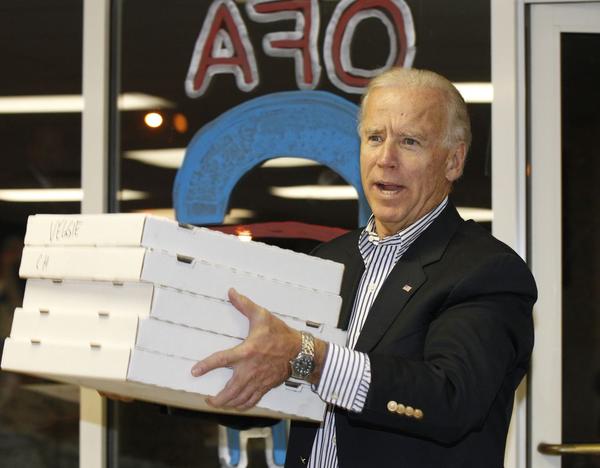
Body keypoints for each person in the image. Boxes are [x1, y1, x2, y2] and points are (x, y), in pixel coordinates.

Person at [191, 67, 536, 468]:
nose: (386, 159)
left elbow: (450, 398)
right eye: (375, 138)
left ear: (453, 161)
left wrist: (313, 359)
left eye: (409, 141)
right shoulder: (328, 260)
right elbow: (273, 385)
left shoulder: (488, 271)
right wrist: (157, 374)